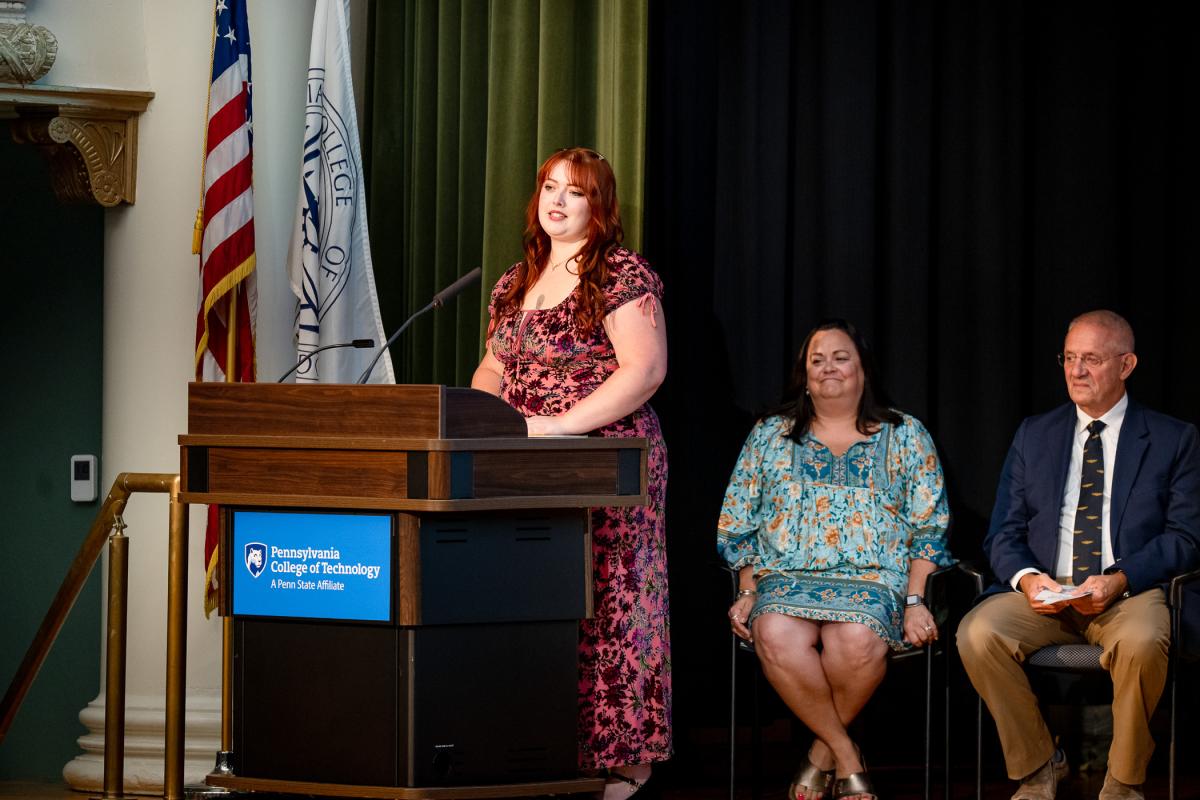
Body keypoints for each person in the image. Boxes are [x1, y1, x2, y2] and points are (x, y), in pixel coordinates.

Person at [472, 147, 670, 798]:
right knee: (533, 602)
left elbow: (643, 370)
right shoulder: (512, 281)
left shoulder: (620, 275)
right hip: (523, 464)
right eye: (549, 187)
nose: (557, 200)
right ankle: (549, 756)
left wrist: (558, 427)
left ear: (600, 206)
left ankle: (625, 762)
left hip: (604, 462)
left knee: (608, 605)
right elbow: (491, 373)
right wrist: (493, 426)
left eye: (576, 191)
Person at [957, 310, 1200, 800]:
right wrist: (1028, 580)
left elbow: (1185, 536)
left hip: (1127, 592)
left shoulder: (1173, 438)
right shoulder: (1035, 433)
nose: (1076, 371)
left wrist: (1120, 578)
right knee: (977, 632)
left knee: (1144, 639)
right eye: (1069, 358)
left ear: (1126, 364)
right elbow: (1003, 531)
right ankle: (1040, 764)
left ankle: (1123, 781)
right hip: (1048, 593)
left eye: (1091, 358)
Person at [719, 319, 952, 800]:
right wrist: (747, 590)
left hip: (875, 580)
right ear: (804, 375)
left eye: (840, 357)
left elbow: (930, 525)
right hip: (786, 575)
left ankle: (821, 756)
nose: (828, 368)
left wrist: (914, 599)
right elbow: (738, 519)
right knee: (775, 633)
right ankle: (847, 756)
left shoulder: (905, 434)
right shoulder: (770, 435)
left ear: (863, 369)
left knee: (856, 642)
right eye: (817, 359)